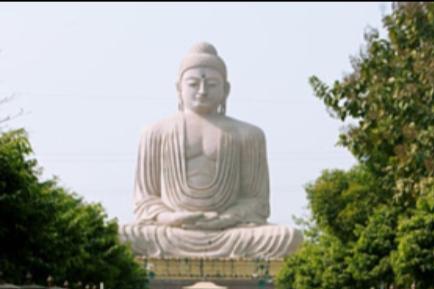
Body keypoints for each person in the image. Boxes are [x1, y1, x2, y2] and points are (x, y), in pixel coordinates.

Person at [119, 42, 302, 260]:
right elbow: (145, 200)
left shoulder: (249, 134)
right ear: (179, 88)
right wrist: (172, 218)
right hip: (172, 231)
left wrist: (227, 218)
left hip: (230, 231)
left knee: (289, 236)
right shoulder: (155, 132)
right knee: (120, 235)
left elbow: (256, 200)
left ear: (226, 89)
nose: (203, 91)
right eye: (193, 84)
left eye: (212, 84)